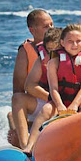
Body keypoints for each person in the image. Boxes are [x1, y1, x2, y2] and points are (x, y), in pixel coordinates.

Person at [22, 23, 81, 152]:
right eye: (70, 41)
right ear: (62, 42)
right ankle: (30, 146)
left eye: (78, 41)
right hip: (59, 100)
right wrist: (60, 105)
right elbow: (53, 88)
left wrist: (74, 105)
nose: (74, 44)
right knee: (46, 110)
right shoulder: (53, 62)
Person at [10, 27, 62, 150]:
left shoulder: (76, 60)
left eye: (56, 50)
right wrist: (52, 98)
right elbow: (29, 85)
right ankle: (26, 147)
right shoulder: (42, 60)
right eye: (49, 50)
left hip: (70, 105)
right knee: (17, 98)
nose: (52, 54)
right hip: (48, 102)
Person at [7, 9, 54, 146]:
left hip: (62, 103)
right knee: (17, 99)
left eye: (52, 24)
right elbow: (18, 90)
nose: (51, 29)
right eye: (46, 26)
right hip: (39, 103)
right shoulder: (25, 51)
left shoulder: (64, 44)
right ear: (32, 30)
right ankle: (25, 147)